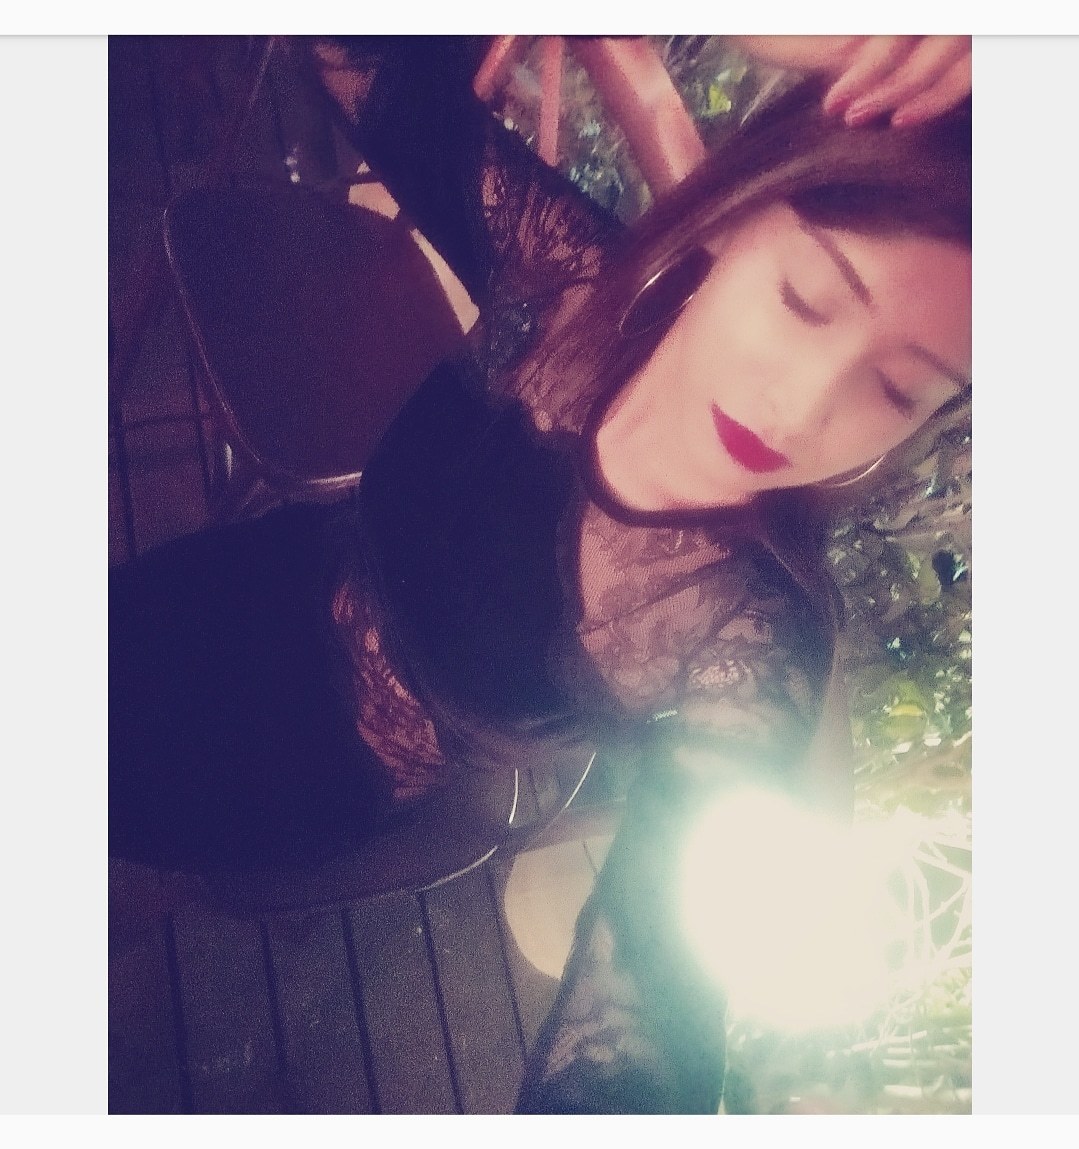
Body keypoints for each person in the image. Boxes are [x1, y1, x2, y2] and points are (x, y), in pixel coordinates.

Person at [109, 35, 971, 1113]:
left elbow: (645, 1007)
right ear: (732, 212)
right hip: (233, 587)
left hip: (295, 772)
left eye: (895, 391)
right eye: (804, 301)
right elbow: (356, 61)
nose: (798, 410)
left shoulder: (745, 633)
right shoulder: (571, 280)